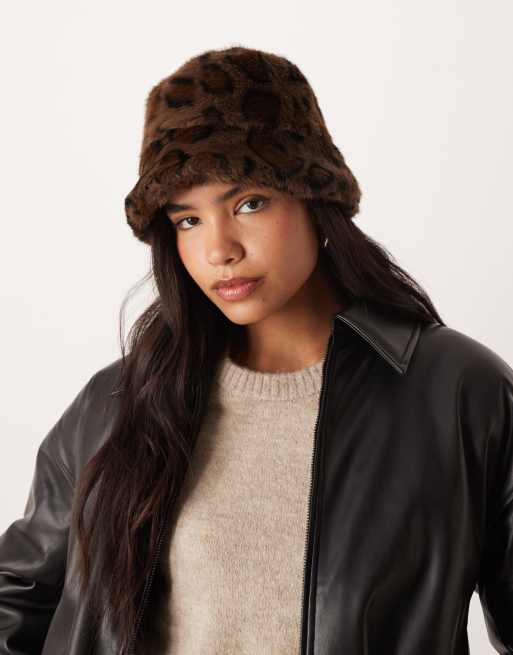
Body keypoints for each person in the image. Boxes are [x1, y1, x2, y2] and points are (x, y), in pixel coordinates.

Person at [1, 45, 512, 655]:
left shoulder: (457, 392)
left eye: (249, 203)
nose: (220, 249)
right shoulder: (116, 406)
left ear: (315, 198)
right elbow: (15, 603)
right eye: (187, 220)